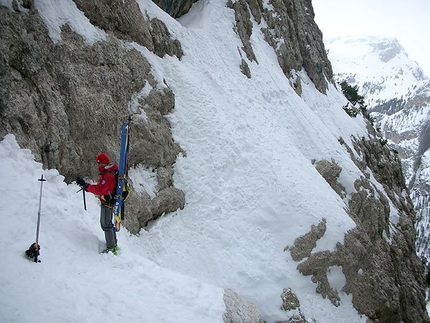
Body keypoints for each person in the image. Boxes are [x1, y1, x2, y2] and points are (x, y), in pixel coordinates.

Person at [76, 153, 118, 253]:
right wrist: (88, 187)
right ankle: (113, 244)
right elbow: (101, 188)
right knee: (107, 224)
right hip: (107, 200)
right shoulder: (108, 173)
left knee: (106, 224)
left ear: (103, 163)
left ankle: (111, 248)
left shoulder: (108, 176)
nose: (98, 166)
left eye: (99, 163)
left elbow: (100, 190)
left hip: (107, 202)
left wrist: (86, 186)